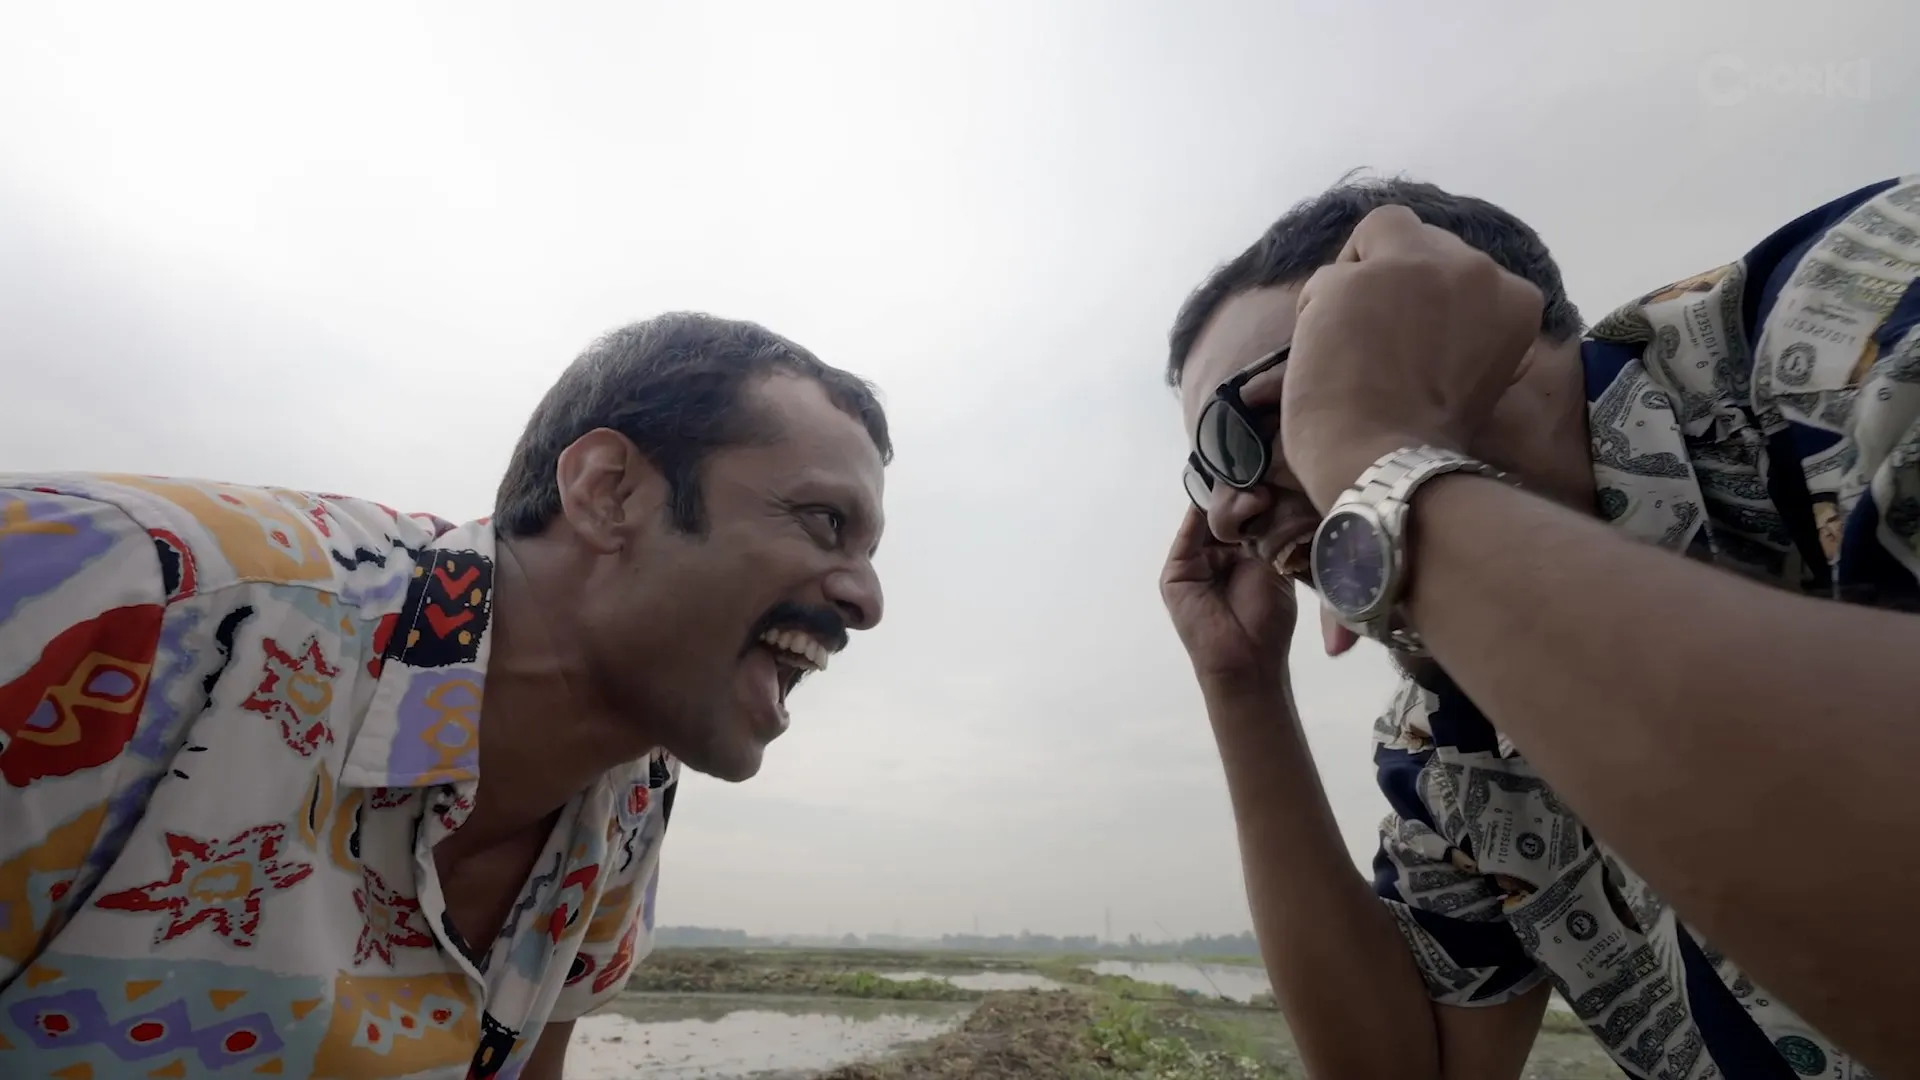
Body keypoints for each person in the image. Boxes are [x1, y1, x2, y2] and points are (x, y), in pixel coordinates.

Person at [1161, 174, 1920, 1079]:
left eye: (1257, 419)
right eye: (1208, 476)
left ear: (1476, 322)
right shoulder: (1446, 745)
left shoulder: (1850, 318)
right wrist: (1241, 686)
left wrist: (1383, 471)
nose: (1230, 513)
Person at [0, 312, 889, 1079]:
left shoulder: (636, 788)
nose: (868, 600)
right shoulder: (124, 599)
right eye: (825, 522)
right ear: (609, 493)